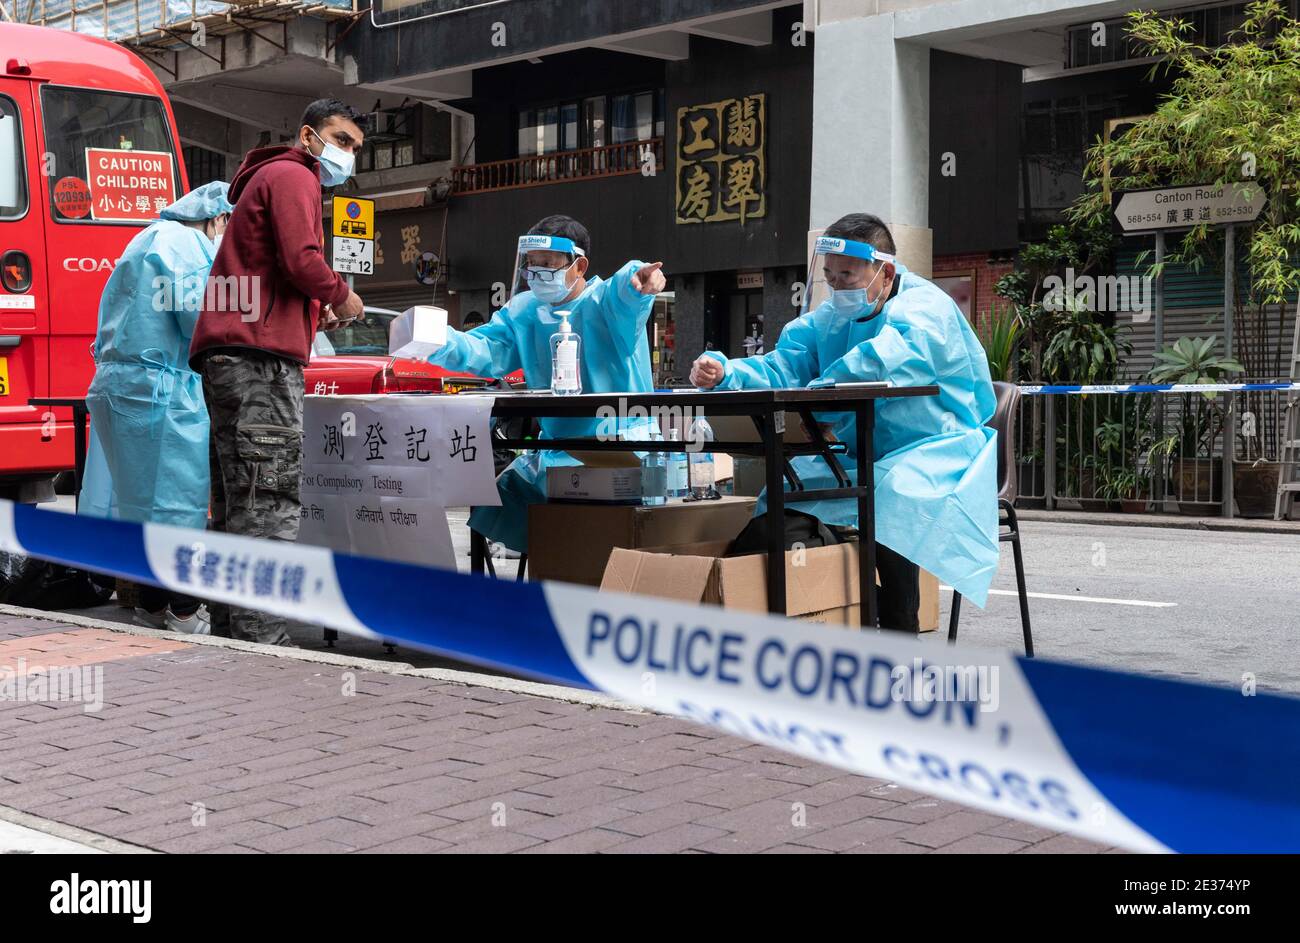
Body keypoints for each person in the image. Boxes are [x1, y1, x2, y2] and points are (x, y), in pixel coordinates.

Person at [689, 213, 999, 628]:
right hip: (862, 452)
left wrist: (818, 391)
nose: (837, 288)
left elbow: (882, 361)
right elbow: (786, 363)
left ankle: (899, 619)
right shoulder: (833, 316)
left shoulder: (926, 308)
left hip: (937, 449)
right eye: (831, 278)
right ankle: (832, 598)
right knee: (787, 489)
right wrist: (727, 372)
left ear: (884, 272)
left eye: (847, 277)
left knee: (890, 497)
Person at [189, 99, 366, 645]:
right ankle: (263, 637)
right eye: (341, 140)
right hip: (257, 361)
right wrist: (343, 295)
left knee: (238, 500)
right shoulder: (295, 175)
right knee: (269, 499)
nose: (348, 155)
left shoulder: (267, 179)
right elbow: (301, 259)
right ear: (310, 136)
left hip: (234, 355)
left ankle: (232, 627)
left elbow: (273, 275)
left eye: (356, 148)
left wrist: (315, 313)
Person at [425, 214, 666, 552]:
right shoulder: (524, 310)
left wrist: (638, 281)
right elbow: (486, 348)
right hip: (557, 450)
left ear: (579, 266)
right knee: (498, 497)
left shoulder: (604, 302)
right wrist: (436, 341)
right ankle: (547, 575)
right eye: (532, 266)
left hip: (621, 443)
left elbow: (627, 291)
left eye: (548, 264)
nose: (538, 274)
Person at [81, 182, 234, 634]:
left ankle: (149, 607)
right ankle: (185, 611)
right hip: (160, 392)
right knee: (177, 505)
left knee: (137, 508)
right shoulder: (184, 244)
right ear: (216, 219)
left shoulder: (144, 237)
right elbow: (196, 316)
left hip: (118, 386)